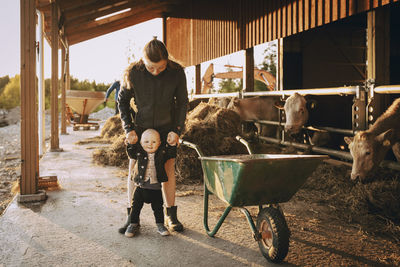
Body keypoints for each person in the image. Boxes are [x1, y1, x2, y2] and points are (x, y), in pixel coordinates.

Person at [118, 37, 188, 233]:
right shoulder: (134, 72)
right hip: (141, 129)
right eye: (151, 68)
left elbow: (183, 102)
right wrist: (128, 128)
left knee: (168, 166)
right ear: (143, 61)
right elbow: (122, 102)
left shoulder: (176, 72)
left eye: (161, 67)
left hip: (167, 129)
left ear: (167, 61)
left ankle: (171, 216)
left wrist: (177, 129)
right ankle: (132, 218)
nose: (156, 72)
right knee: (134, 167)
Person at [125, 128, 174, 237]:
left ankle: (160, 224)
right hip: (140, 188)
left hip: (156, 188)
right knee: (136, 207)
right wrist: (130, 144)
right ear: (141, 143)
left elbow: (171, 154)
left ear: (159, 143)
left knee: (158, 208)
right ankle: (133, 224)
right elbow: (131, 154)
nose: (150, 144)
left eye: (154, 142)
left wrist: (173, 145)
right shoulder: (139, 152)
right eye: (146, 142)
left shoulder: (162, 153)